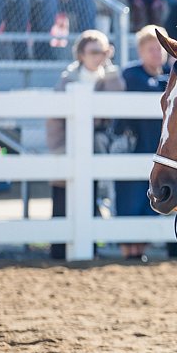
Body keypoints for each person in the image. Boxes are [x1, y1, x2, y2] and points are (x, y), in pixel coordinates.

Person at [47, 30, 124, 259]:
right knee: (62, 194)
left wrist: (108, 65)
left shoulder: (108, 77)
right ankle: (59, 248)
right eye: (94, 51)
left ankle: (91, 246)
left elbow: (118, 96)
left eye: (103, 51)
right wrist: (60, 148)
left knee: (90, 192)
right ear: (81, 54)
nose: (98, 56)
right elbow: (55, 118)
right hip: (68, 143)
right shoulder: (68, 79)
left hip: (98, 143)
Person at [114, 25, 170, 260]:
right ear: (140, 51)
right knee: (130, 198)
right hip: (134, 147)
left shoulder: (169, 77)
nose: (157, 53)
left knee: (150, 199)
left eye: (160, 48)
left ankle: (141, 249)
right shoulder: (131, 74)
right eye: (151, 49)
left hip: (158, 149)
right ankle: (129, 250)